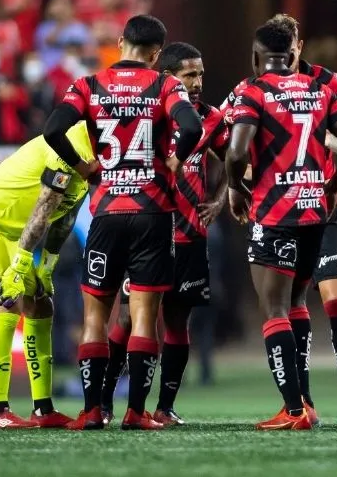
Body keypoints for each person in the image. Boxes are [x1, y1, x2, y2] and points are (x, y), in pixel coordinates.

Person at [43, 14, 203, 430]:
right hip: (153, 213)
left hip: (107, 212)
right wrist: (175, 160)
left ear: (120, 42)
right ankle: (135, 412)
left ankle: (92, 411)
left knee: (95, 317)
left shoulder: (87, 85)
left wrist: (83, 167)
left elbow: (53, 129)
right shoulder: (165, 86)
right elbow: (192, 125)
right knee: (145, 317)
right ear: (156, 53)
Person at [225, 22, 337, 431]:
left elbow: (233, 149)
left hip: (277, 213)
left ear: (257, 55)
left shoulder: (254, 91)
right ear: (292, 51)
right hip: (316, 210)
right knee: (298, 301)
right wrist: (331, 185)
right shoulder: (322, 89)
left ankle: (304, 408)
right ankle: (306, 401)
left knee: (280, 307)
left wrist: (236, 187)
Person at [99, 42, 230, 426]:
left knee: (176, 323)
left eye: (201, 74)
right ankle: (104, 402)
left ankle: (165, 406)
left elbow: (235, 160)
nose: (198, 82)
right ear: (169, 76)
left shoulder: (209, 118)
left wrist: (220, 199)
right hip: (147, 234)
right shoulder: (147, 113)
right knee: (128, 320)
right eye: (190, 75)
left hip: (189, 236)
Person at [0, 124, 98, 429]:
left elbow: (66, 217)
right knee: (7, 302)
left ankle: (43, 409)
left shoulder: (99, 151)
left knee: (41, 306)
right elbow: (44, 209)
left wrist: (48, 267)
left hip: (12, 232)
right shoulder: (70, 146)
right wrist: (19, 267)